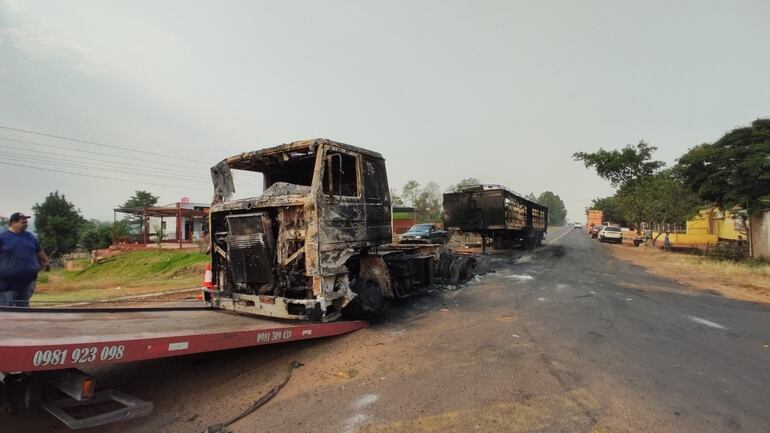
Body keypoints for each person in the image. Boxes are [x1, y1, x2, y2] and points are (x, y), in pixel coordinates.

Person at [0, 213, 50, 307]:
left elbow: (38, 250)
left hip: (27, 281)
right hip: (7, 283)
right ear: (13, 223)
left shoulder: (30, 236)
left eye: (26, 222)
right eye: (23, 222)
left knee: (23, 309)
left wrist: (46, 261)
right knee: (6, 309)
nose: (26, 224)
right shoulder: (2, 238)